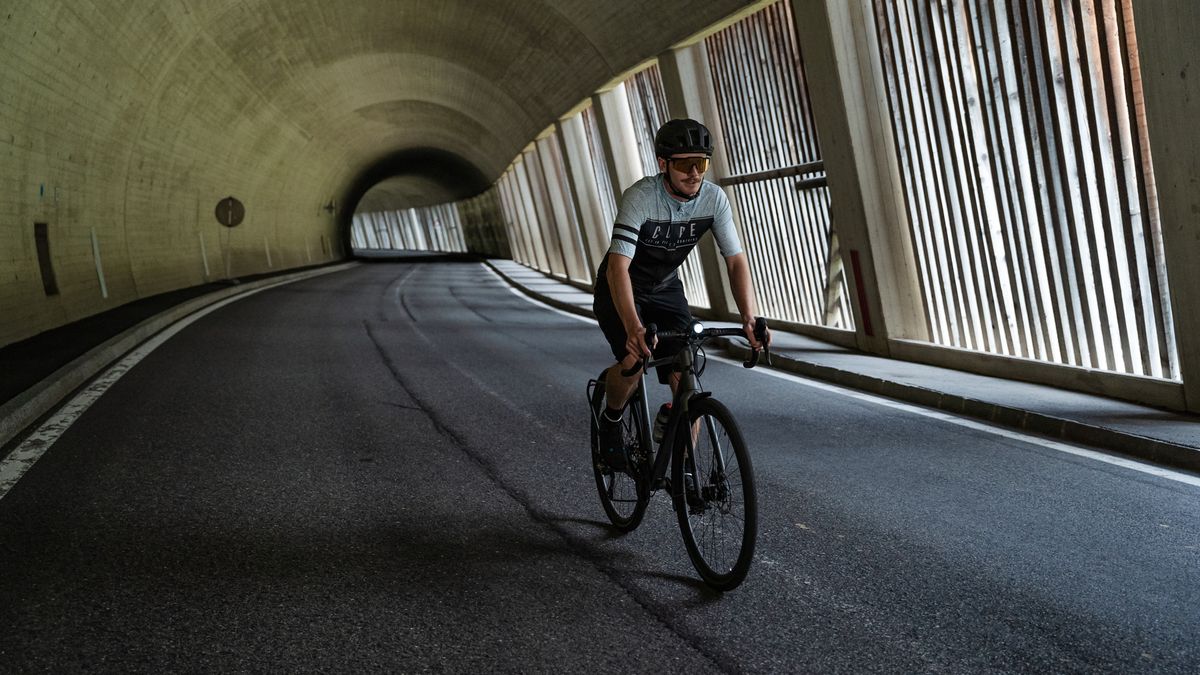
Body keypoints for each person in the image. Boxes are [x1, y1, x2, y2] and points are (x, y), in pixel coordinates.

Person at [593, 118, 770, 470]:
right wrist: (633, 327)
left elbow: (735, 260)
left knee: (686, 376)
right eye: (684, 164)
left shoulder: (714, 199)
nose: (693, 172)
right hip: (622, 285)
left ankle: (686, 473)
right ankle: (611, 422)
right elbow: (618, 267)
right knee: (635, 358)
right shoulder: (641, 197)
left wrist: (749, 318)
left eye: (701, 163)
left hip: (666, 288)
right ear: (663, 164)